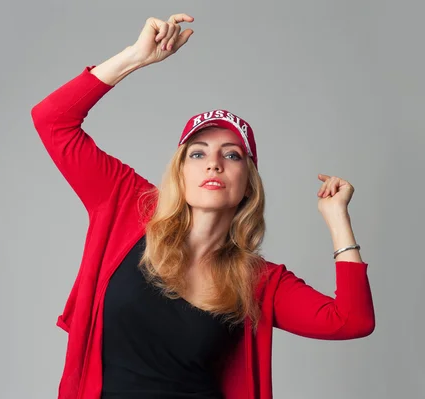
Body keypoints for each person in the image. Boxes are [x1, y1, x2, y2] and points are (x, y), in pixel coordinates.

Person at [30, 13, 375, 399]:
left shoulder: (257, 281)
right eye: (197, 154)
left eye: (232, 156)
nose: (214, 163)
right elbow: (52, 121)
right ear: (179, 172)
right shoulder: (129, 204)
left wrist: (338, 221)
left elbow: (351, 321)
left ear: (248, 185)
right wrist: (134, 58)